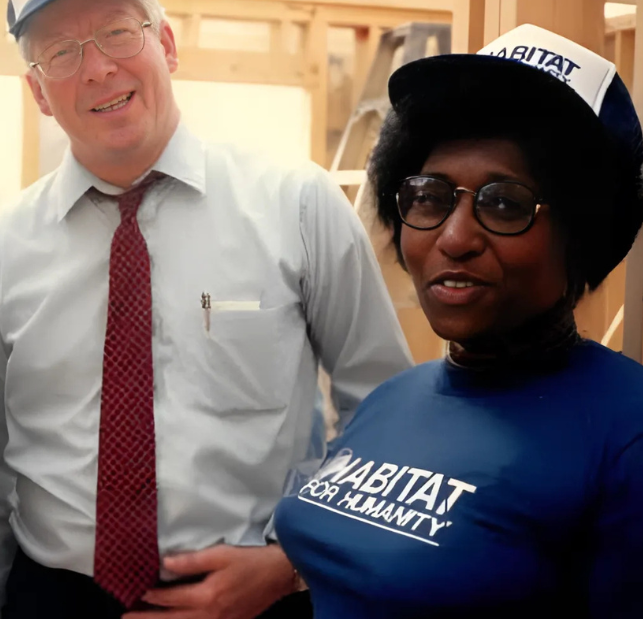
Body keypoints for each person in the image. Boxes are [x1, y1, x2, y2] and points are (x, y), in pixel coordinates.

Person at [0, 1, 412, 618]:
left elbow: (384, 416)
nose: (97, 70)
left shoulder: (297, 207)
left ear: (166, 44)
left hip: (259, 594)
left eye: (117, 32)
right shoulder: (0, 250)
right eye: (61, 52)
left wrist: (292, 567)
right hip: (56, 599)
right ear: (37, 89)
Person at [274, 24, 643, 618]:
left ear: (582, 233)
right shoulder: (392, 398)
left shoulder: (625, 436)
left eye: (504, 203)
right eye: (428, 195)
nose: (454, 237)